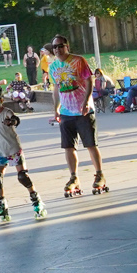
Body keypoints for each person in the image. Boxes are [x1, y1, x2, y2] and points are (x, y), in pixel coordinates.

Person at [45, 35, 106, 196]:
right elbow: (56, 88)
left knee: (90, 144)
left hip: (83, 109)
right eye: (54, 47)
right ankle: (73, 177)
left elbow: (89, 81)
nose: (57, 49)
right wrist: (56, 108)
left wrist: (86, 102)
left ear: (67, 46)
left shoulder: (79, 61)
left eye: (60, 46)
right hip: (66, 111)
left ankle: (99, 174)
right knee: (68, 146)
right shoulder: (53, 66)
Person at [0, 91, 45, 225]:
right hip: (1, 151)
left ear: (0, 101)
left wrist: (11, 121)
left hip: (13, 150)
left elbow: (15, 119)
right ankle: (1, 204)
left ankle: (36, 200)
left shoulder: (6, 112)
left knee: (22, 176)